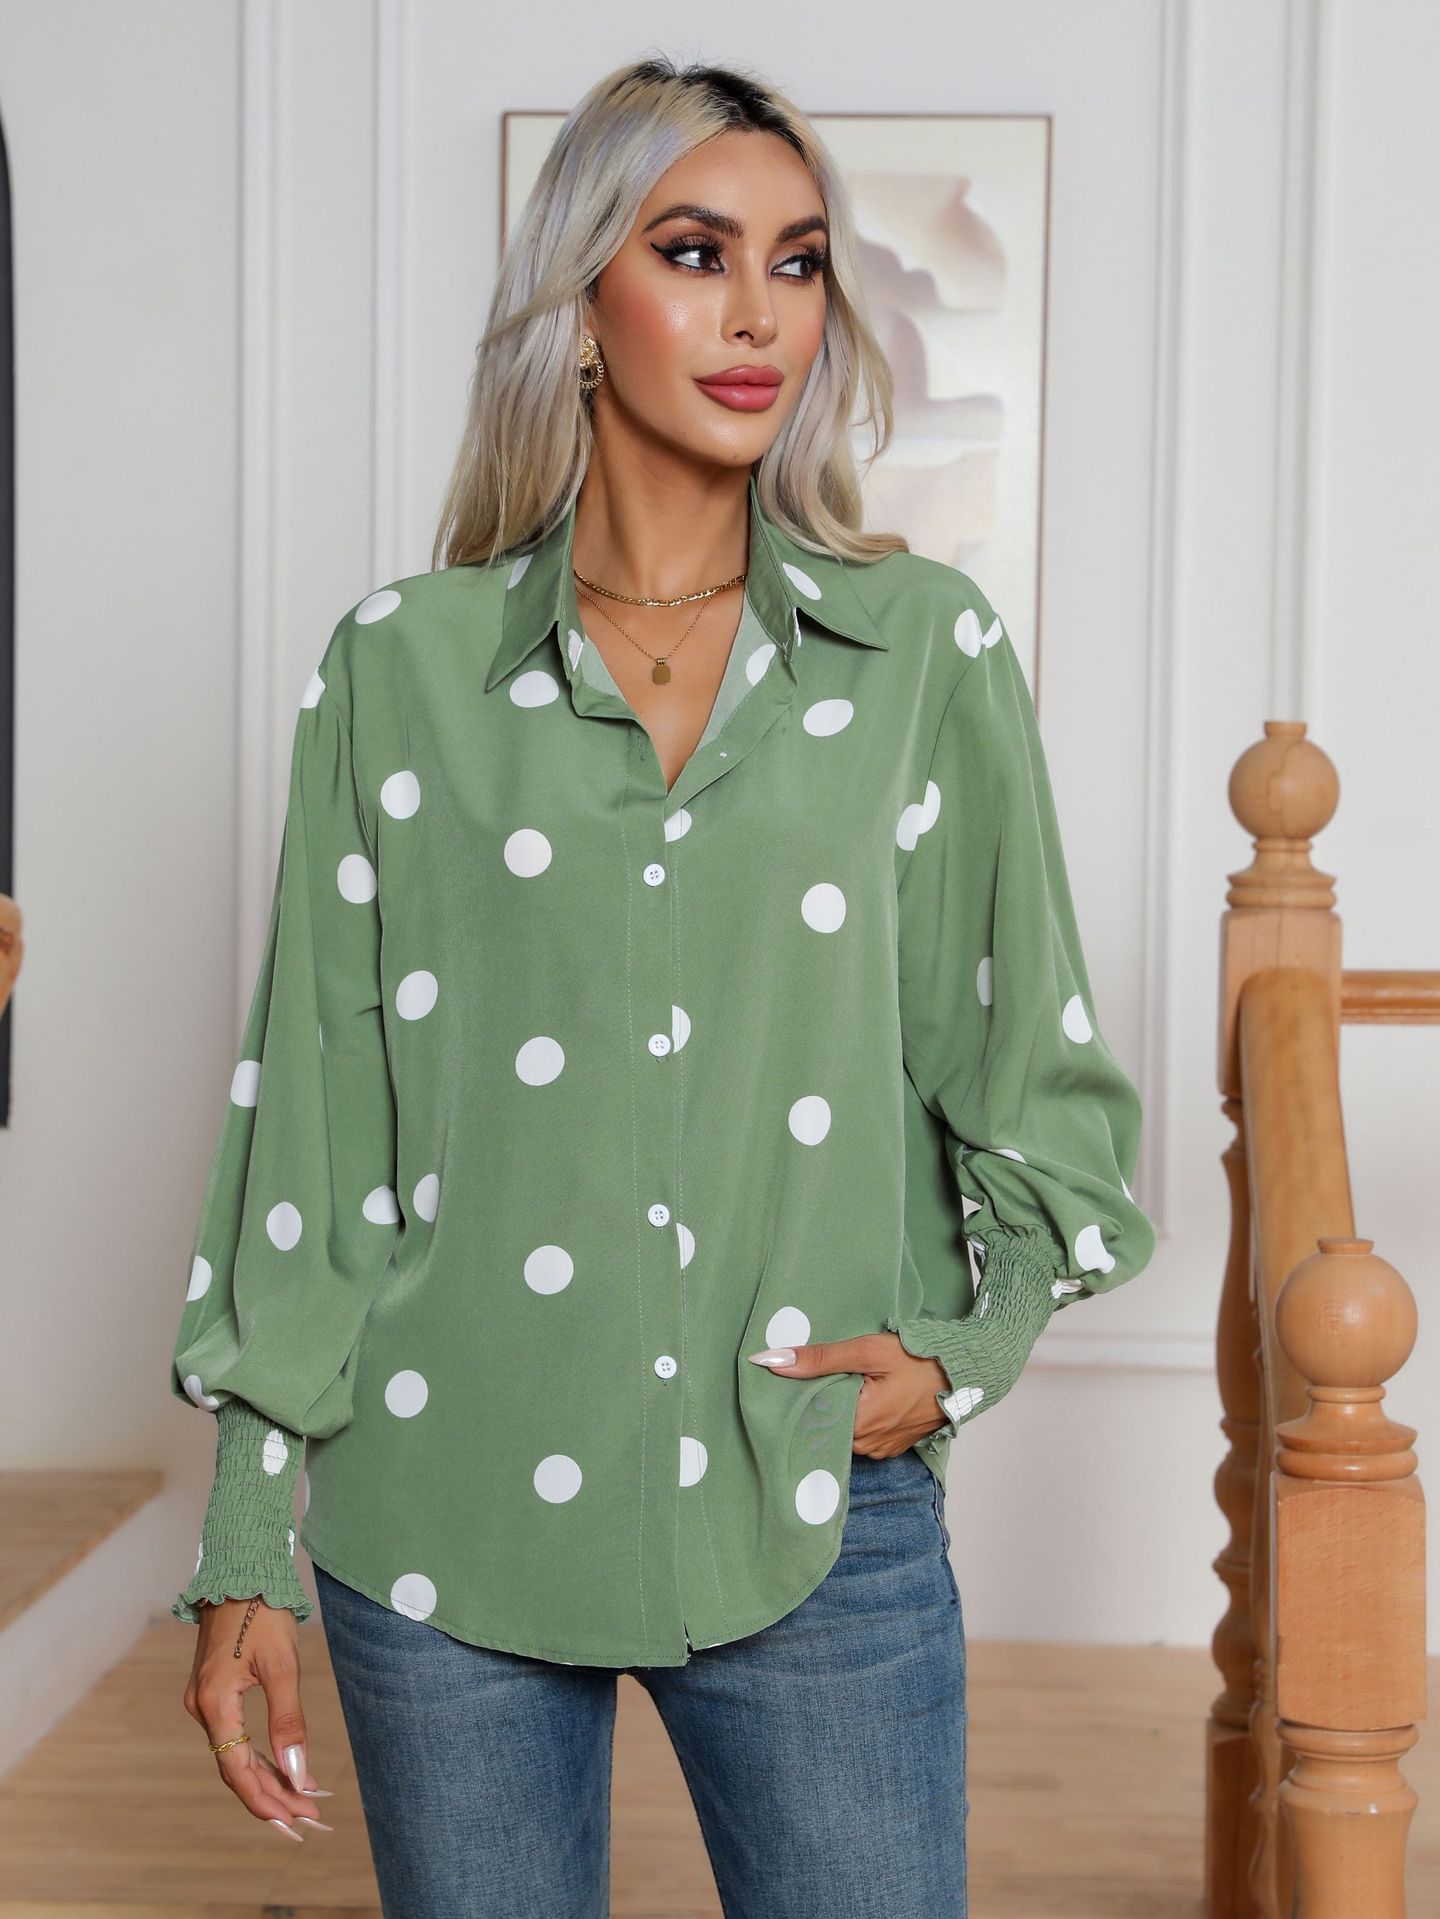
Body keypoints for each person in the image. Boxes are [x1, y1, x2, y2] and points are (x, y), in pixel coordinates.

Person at [168, 55, 1157, 1919]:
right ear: (580, 304)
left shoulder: (924, 656)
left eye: (798, 262)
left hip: (815, 1497)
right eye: (696, 252)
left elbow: (1028, 1071)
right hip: (439, 1511)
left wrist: (966, 1353)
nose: (756, 312)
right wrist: (242, 1535)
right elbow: (317, 1128)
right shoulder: (400, 670)